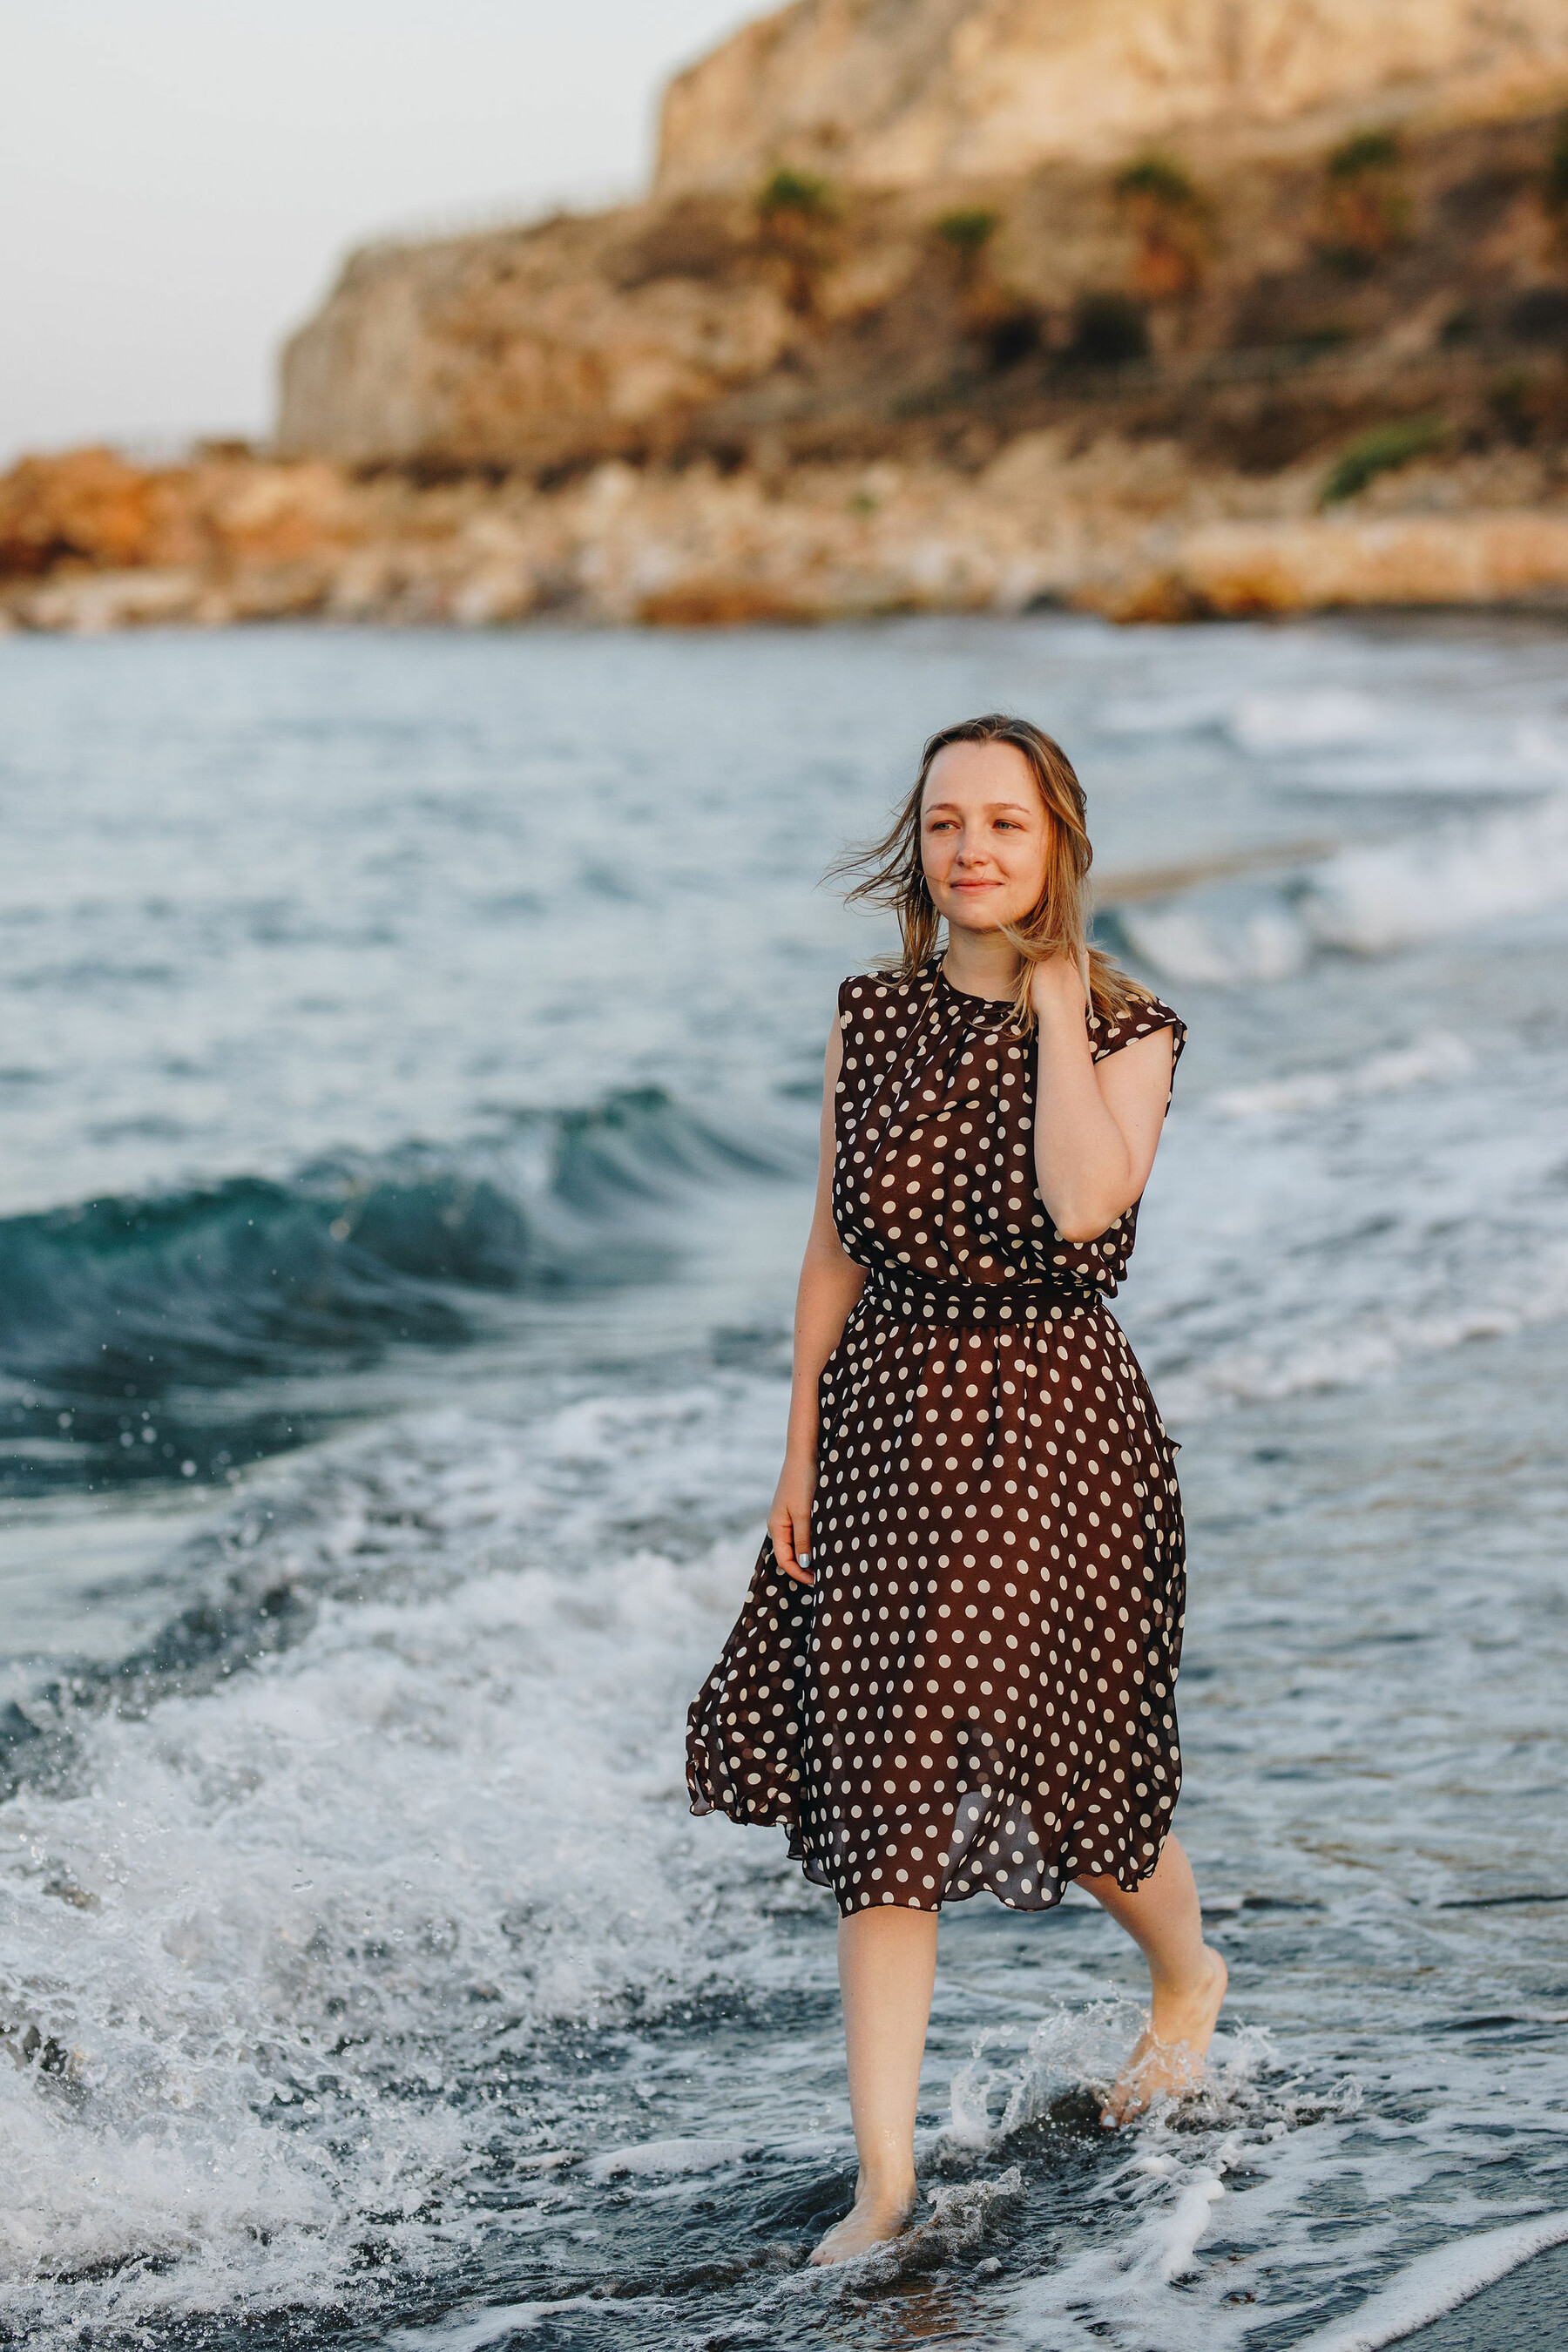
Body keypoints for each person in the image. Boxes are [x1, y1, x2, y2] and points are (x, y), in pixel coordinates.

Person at [686, 713, 1227, 2265]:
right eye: (943, 825)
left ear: (1057, 844)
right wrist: (794, 1452)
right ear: (916, 846)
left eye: (1003, 823)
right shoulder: (868, 1016)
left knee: (1064, 1755)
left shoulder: (1134, 1030)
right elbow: (833, 1250)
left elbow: (1082, 1203)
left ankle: (1186, 1974)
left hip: (1052, 1424)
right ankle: (884, 2183)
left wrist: (1057, 985)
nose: (971, 848)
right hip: (880, 1428)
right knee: (884, 1786)